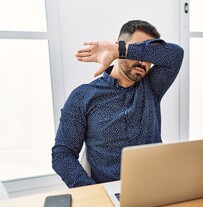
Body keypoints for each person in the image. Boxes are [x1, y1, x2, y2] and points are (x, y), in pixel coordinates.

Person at [52, 20, 184, 188]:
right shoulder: (83, 96)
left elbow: (176, 55)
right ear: (118, 44)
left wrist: (120, 51)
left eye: (148, 55)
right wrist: (92, 192)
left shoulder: (152, 87)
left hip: (157, 188)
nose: (143, 62)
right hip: (110, 194)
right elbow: (62, 154)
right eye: (137, 51)